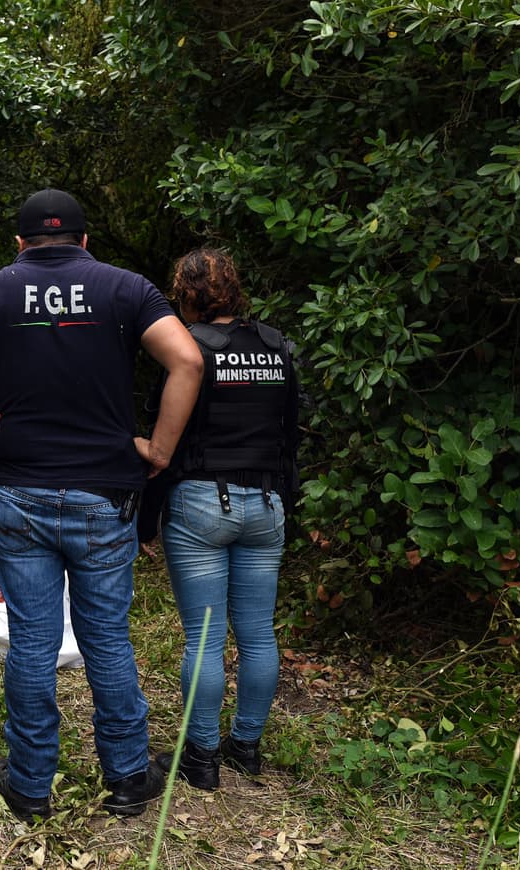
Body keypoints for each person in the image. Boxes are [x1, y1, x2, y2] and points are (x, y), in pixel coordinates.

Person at [0, 189, 202, 820]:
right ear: (85, 242)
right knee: (107, 638)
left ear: (20, 244)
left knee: (32, 642)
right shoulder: (126, 289)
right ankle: (129, 778)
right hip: (105, 493)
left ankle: (31, 785)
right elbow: (188, 359)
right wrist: (161, 449)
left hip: (23, 492)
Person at [148, 247, 299, 790]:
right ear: (235, 287)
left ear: (184, 293)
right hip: (266, 504)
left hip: (202, 503)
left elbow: (168, 440)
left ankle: (202, 758)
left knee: (205, 639)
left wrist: (147, 521)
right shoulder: (277, 346)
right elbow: (290, 436)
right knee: (258, 634)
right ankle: (247, 747)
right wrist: (287, 500)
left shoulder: (186, 349)